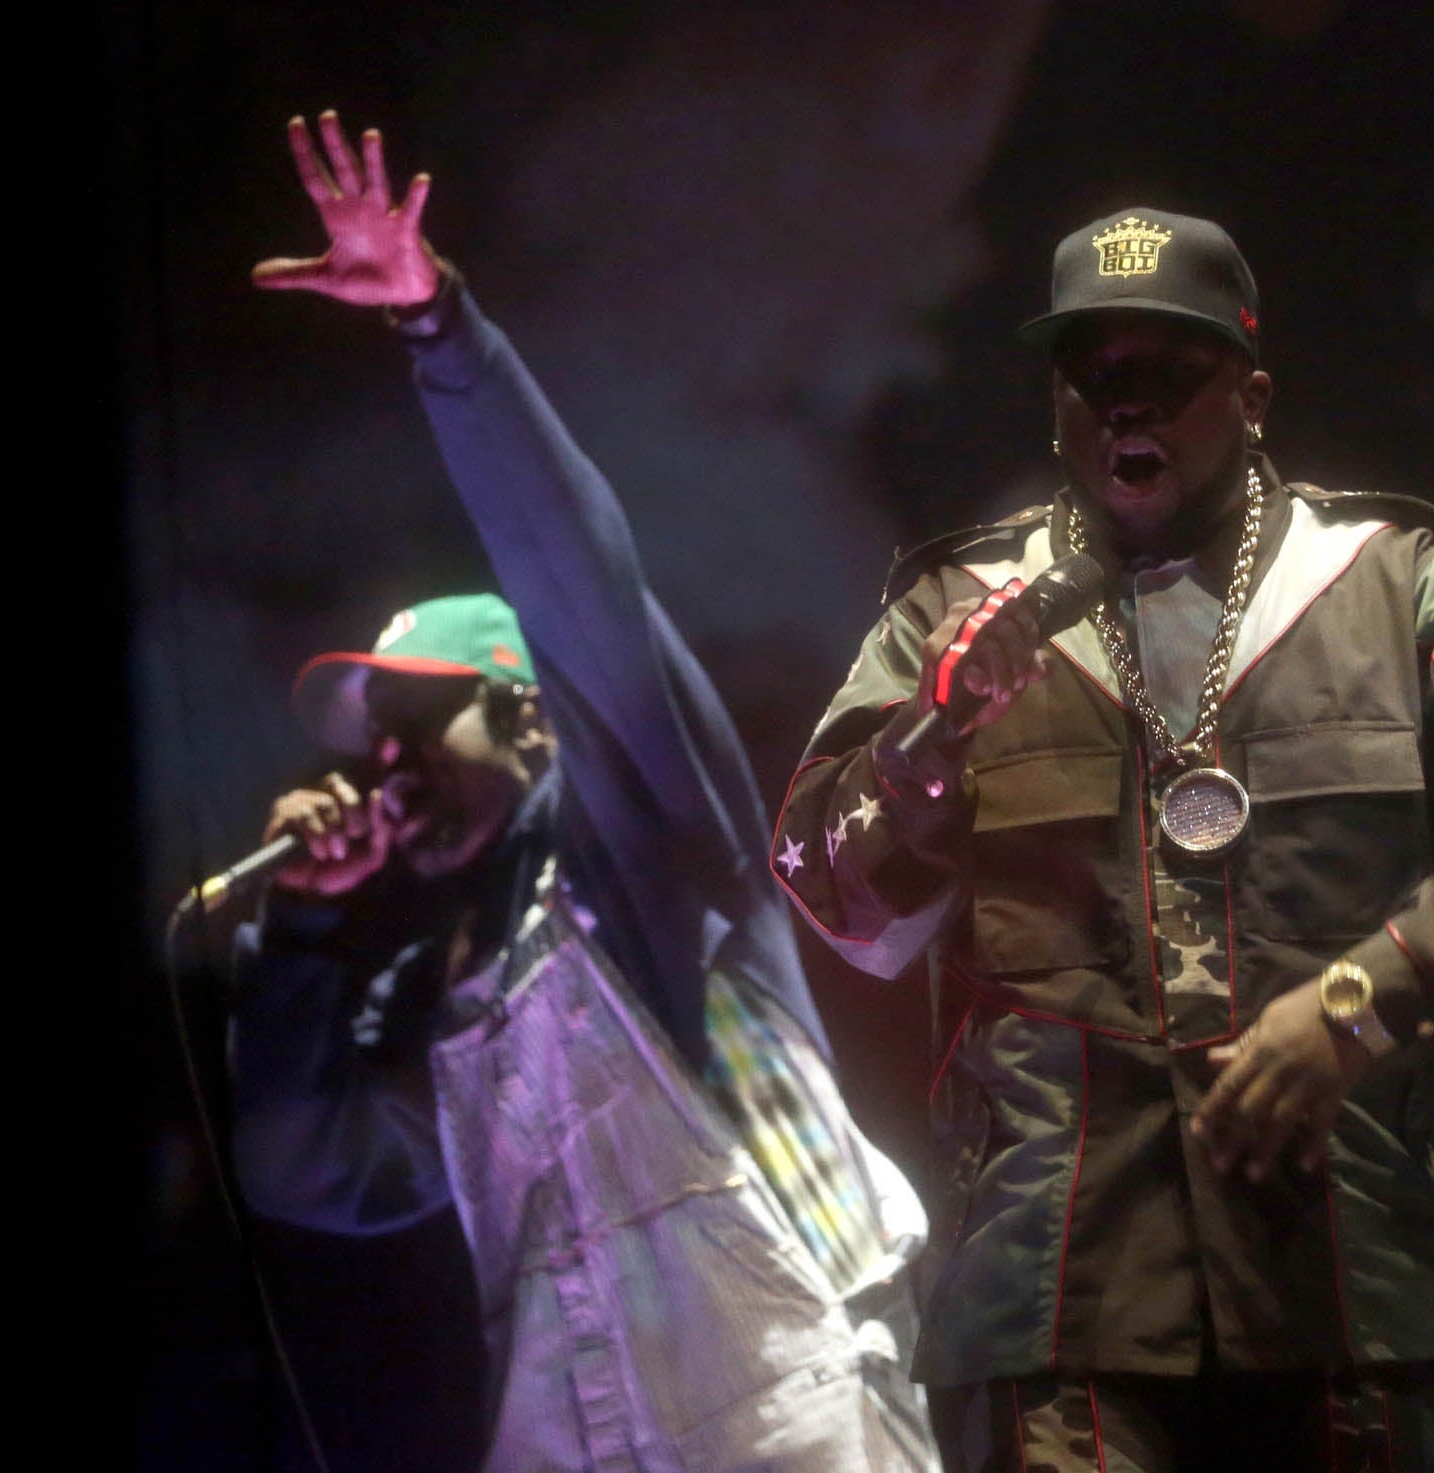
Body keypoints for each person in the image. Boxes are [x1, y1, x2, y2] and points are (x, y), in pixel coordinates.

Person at [773, 207, 1434, 1470]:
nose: (1127, 408)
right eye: (1093, 376)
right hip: (1056, 1295)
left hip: (1355, 1267)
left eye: (1167, 374)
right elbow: (824, 892)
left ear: (1249, 396)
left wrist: (1370, 995)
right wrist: (928, 741)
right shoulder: (950, 611)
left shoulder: (1388, 578)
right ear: (1052, 404)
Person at [226, 111, 935, 1472]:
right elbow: (304, 1169)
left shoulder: (665, 853)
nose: (387, 763)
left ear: (534, 719)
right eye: (372, 742)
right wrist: (307, 937)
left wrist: (440, 334)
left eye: (422, 723)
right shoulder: (437, 992)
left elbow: (571, 567)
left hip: (796, 1422)